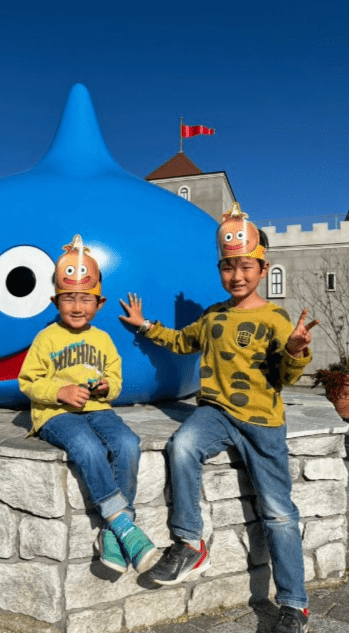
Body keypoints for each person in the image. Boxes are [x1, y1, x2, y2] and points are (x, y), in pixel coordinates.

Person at [119, 203, 317, 633]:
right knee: (182, 446)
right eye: (228, 267)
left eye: (246, 266)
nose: (237, 275)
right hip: (215, 413)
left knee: (279, 514)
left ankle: (294, 605)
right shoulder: (212, 316)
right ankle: (190, 542)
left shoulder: (275, 318)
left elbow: (284, 377)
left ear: (262, 270)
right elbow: (180, 341)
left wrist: (296, 351)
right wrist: (144, 325)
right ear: (220, 270)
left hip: (262, 424)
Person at [19, 234, 157, 574]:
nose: (77, 307)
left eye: (85, 299)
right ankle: (124, 524)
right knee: (87, 447)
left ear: (100, 303)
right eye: (69, 299)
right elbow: (28, 382)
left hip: (98, 409)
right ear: (55, 301)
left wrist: (106, 387)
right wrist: (60, 392)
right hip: (56, 415)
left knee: (127, 443)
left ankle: (112, 532)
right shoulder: (46, 338)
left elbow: (116, 380)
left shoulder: (103, 339)